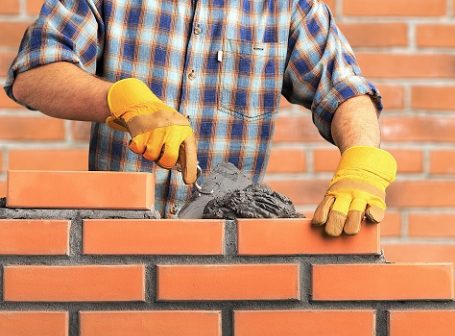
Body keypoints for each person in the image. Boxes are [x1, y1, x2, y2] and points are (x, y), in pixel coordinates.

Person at [3, 0, 396, 237]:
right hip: (111, 245)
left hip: (225, 258)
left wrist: (362, 160)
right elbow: (34, 74)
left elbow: (344, 89)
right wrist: (121, 98)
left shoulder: (288, 6)